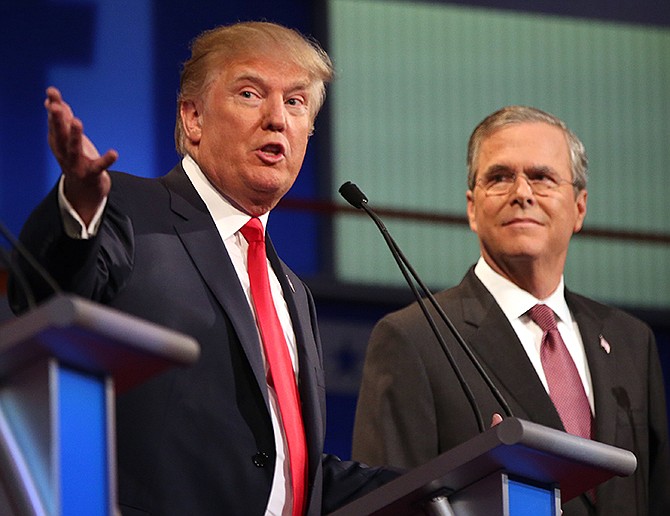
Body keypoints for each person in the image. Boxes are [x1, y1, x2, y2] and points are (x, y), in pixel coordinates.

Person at [10, 21, 398, 516]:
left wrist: (453, 481)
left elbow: (291, 471)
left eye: (296, 102)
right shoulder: (127, 209)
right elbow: (46, 299)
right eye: (251, 93)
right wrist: (78, 210)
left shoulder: (293, 292)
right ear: (193, 118)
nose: (277, 119)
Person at [351, 105, 670, 515]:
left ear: (580, 207)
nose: (522, 193)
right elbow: (389, 505)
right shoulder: (416, 337)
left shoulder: (629, 340)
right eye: (500, 178)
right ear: (471, 207)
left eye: (542, 177)